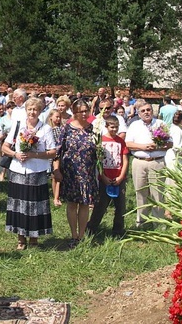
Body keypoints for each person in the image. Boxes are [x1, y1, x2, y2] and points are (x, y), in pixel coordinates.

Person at [1, 97, 56, 250]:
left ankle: (33, 238)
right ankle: (20, 239)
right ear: (26, 110)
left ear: (40, 112)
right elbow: (4, 147)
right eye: (30, 109)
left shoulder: (45, 129)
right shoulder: (18, 126)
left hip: (37, 172)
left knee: (34, 205)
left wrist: (34, 155)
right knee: (19, 204)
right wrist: (15, 154)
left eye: (35, 110)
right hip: (18, 170)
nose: (32, 112)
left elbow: (52, 152)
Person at [55, 99, 99, 248]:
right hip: (71, 172)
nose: (85, 113)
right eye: (82, 111)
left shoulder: (93, 128)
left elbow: (99, 150)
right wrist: (57, 170)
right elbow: (58, 151)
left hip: (87, 171)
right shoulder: (67, 129)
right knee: (73, 204)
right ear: (75, 113)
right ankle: (74, 235)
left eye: (87, 110)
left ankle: (82, 235)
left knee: (85, 204)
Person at [125, 99, 172, 228]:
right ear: (139, 114)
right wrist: (144, 147)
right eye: (143, 111)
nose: (146, 112)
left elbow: (170, 143)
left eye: (148, 110)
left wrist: (157, 147)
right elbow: (128, 144)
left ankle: (158, 223)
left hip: (157, 162)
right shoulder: (134, 125)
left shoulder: (161, 124)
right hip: (139, 163)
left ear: (153, 111)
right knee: (140, 192)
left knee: (158, 193)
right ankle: (142, 222)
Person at [86, 116, 129, 238]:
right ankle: (91, 228)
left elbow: (125, 160)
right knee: (100, 205)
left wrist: (121, 176)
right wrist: (102, 176)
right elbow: (98, 161)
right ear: (106, 127)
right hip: (104, 178)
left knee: (120, 206)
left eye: (116, 127)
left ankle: (118, 230)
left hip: (118, 178)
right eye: (112, 127)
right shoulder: (101, 141)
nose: (114, 129)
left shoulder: (121, 142)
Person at [47, 109, 64, 207]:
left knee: (58, 174)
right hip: (53, 154)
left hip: (60, 154)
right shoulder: (49, 129)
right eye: (56, 117)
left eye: (59, 117)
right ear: (51, 117)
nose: (58, 119)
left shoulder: (61, 128)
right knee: (54, 176)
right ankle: (55, 196)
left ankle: (57, 196)